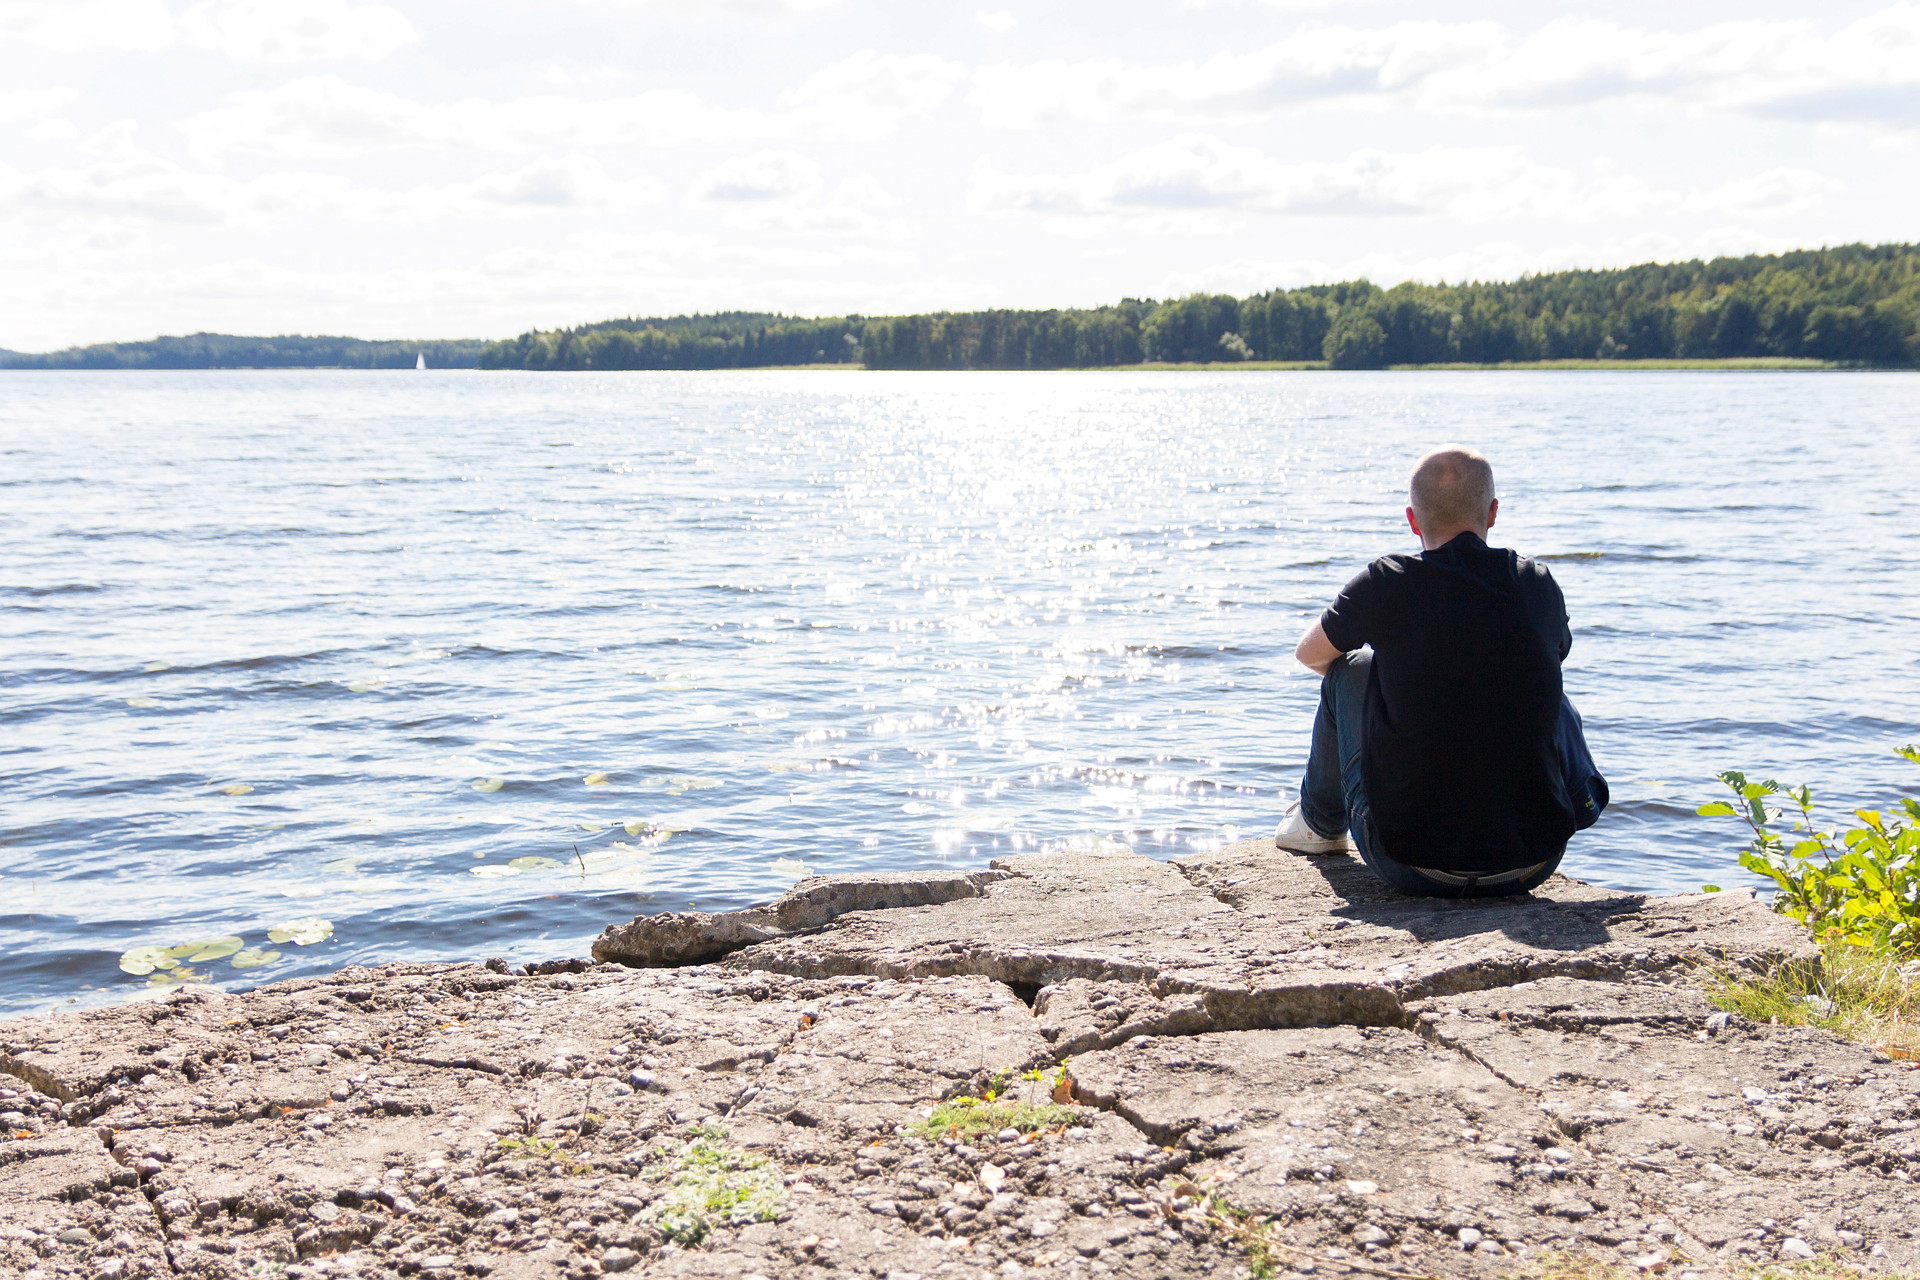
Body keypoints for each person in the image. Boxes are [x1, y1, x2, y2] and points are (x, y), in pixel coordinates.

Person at [1273, 445, 1607, 896]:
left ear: (1412, 520)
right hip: (1533, 861)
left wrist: (1396, 687)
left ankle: (1319, 824)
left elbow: (1310, 654)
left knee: (1351, 668)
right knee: (1533, 669)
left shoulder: (1387, 580)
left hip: (1408, 863)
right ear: (1492, 513)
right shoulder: (1537, 583)